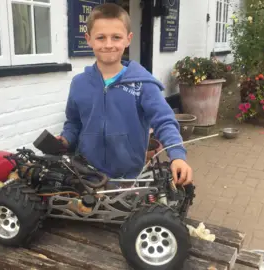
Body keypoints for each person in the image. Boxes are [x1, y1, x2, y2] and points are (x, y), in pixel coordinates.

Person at [57, 3, 193, 186]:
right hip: (86, 176)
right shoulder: (79, 84)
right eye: (100, 37)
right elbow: (73, 123)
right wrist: (65, 139)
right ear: (88, 39)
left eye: (116, 37)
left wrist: (178, 156)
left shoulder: (143, 84)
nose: (108, 44)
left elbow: (164, 121)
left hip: (128, 178)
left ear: (128, 39)